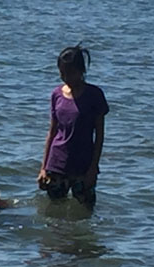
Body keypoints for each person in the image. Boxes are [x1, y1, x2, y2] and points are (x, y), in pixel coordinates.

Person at [37, 44, 109, 207]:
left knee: (85, 213)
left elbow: (99, 136)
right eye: (62, 73)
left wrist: (93, 169)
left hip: (83, 166)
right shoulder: (57, 95)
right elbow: (52, 131)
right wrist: (44, 168)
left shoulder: (94, 95)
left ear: (81, 71)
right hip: (57, 164)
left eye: (70, 73)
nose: (65, 77)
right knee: (54, 213)